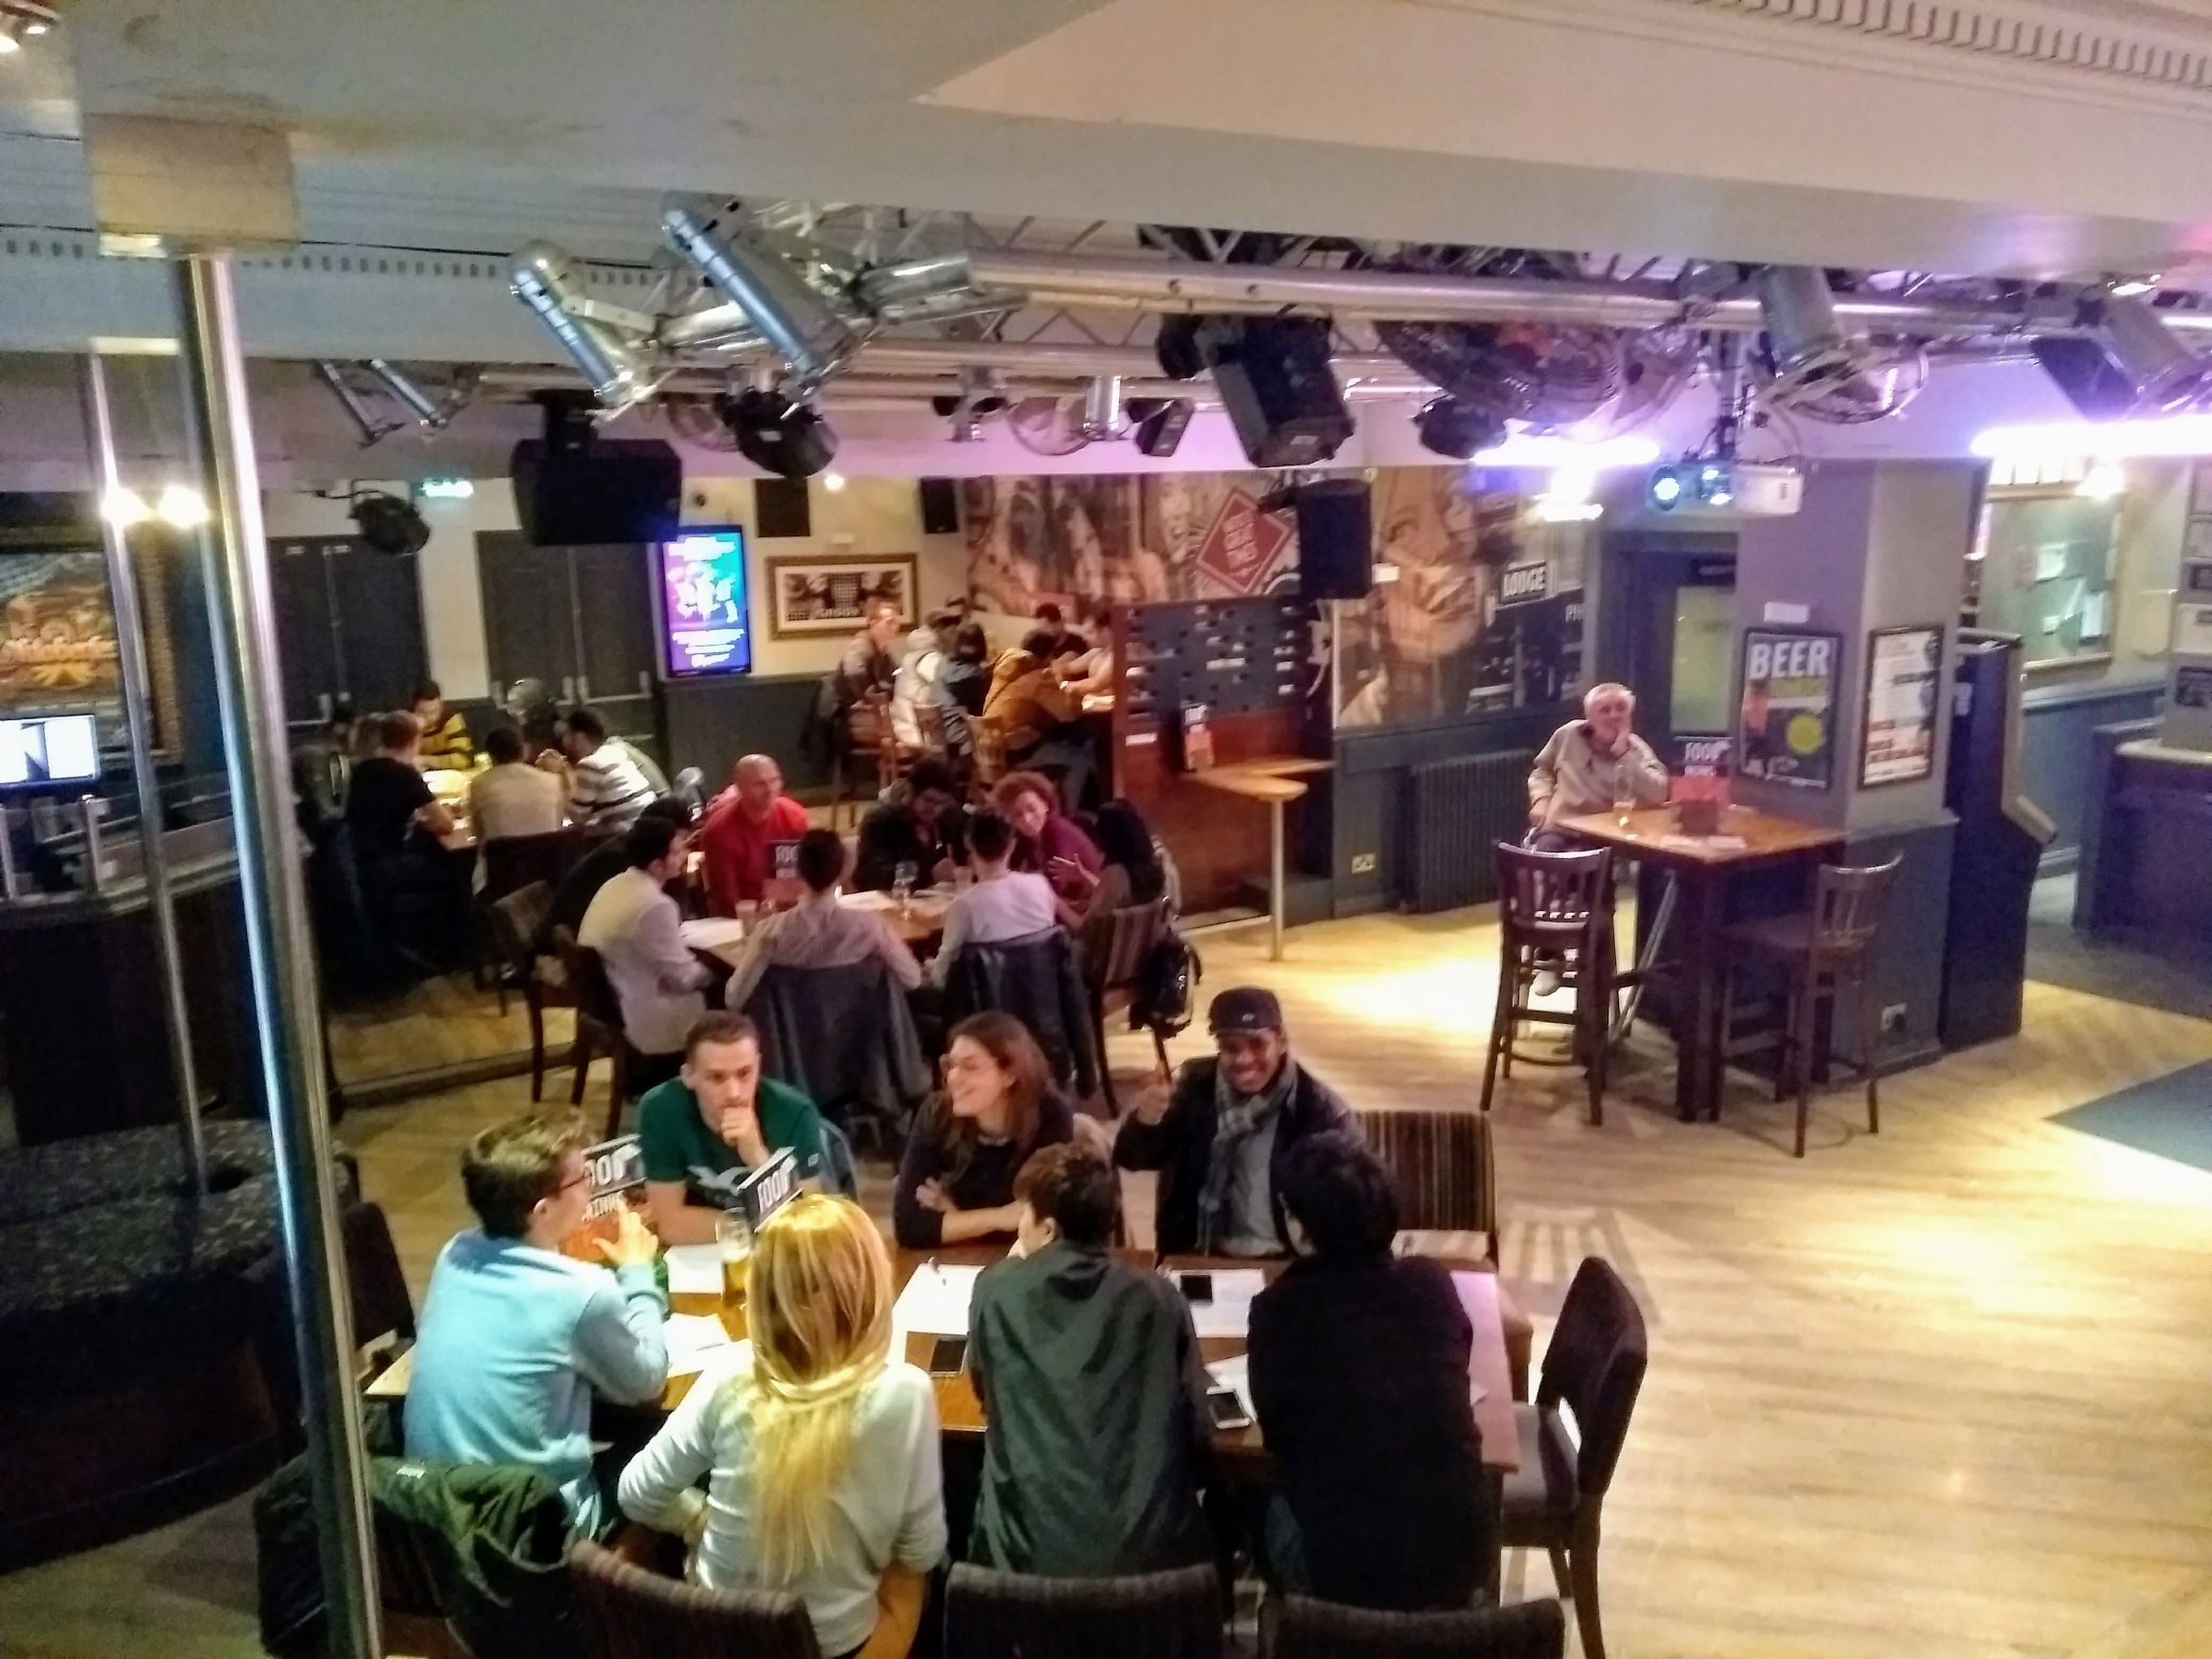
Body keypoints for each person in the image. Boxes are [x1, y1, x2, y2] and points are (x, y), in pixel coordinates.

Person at [617, 1195, 945, 1659]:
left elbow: (636, 1493)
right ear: (870, 1289)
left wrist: (697, 1519)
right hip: (835, 1643)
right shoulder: (906, 1393)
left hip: (715, 1633)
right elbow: (920, 1553)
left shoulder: (727, 1375)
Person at [1247, 1133, 1489, 1610]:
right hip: (1460, 1558)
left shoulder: (1278, 1309)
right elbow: (1460, 1353)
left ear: (1300, 1228)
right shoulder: (1431, 1283)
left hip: (1338, 1576)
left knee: (1242, 1495)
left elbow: (1277, 1436)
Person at [404, 1110, 669, 1534]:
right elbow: (647, 1382)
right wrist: (638, 1273)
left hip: (433, 1521)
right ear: (542, 1210)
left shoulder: (454, 1254)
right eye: (582, 1179)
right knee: (676, 1449)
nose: (592, 1187)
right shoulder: (582, 1292)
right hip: (531, 1532)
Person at [967, 1145, 1214, 1577]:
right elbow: (1196, 1421)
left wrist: (1010, 1272)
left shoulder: (997, 1291)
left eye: (1025, 1214)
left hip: (1023, 1568)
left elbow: (985, 1391)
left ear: (1047, 1228)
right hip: (1155, 1570)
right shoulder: (1160, 1297)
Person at [1114, 987, 1357, 1257]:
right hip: (1197, 1255)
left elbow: (1348, 1209)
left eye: (1257, 1044)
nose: (1244, 1060)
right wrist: (1147, 1117)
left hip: (1287, 1261)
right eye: (1231, 1047)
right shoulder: (1194, 1087)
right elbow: (1132, 1158)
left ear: (1282, 1041)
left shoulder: (1320, 1113)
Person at [637, 1012, 833, 1243]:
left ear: (758, 1065)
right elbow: (671, 1225)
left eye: (744, 1073)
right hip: (701, 1256)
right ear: (688, 1076)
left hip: (773, 1255)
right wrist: (757, 1224)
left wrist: (760, 1160)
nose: (734, 1093)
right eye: (717, 1078)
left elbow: (808, 1229)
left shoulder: (795, 1113)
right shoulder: (661, 1110)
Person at [893, 1011, 1075, 1248]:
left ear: (1009, 1074)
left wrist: (954, 1217)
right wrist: (1000, 1217)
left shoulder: (1050, 1116)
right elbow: (908, 1228)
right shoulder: (936, 1112)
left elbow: (1047, 1231)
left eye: (970, 1067)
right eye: (950, 1065)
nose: (953, 1078)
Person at [721, 828, 923, 1011]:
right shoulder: (870, 927)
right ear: (843, 871)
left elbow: (734, 998)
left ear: (797, 869)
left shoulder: (770, 932)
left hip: (791, 1045)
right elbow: (912, 979)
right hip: (857, 1043)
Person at [577, 813, 711, 1080]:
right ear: (657, 865)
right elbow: (684, 979)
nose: (684, 854)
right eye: (676, 852)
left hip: (615, 998)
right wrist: (717, 971)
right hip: (645, 1013)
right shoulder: (655, 906)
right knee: (737, 997)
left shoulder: (615, 884)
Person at [1526, 681, 1670, 847]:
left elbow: (1659, 793)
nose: (1614, 715)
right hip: (1560, 827)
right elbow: (1543, 771)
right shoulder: (1568, 735)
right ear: (1590, 718)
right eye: (1604, 710)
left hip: (1607, 834)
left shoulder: (1637, 749)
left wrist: (1623, 753)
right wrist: (1541, 800)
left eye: (1621, 708)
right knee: (1545, 855)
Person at [927, 807, 1058, 989]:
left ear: (968, 843)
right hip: (1041, 994)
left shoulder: (964, 905)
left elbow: (942, 979)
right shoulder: (1040, 885)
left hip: (984, 1006)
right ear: (1012, 844)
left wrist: (930, 968)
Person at [544, 796, 691, 943]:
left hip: (578, 939)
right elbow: (669, 920)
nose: (683, 850)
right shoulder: (629, 863)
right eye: (678, 842)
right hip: (573, 947)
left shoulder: (626, 849)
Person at [983, 629, 1093, 807]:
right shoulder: (1040, 676)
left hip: (993, 748)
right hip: (1018, 750)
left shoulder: (1005, 669)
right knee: (1078, 759)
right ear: (1050, 655)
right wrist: (1073, 695)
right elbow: (1068, 714)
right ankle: (1067, 816)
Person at [697, 753, 810, 914]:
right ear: (740, 788)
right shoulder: (718, 832)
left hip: (790, 911)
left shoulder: (796, 817)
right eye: (759, 784)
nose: (770, 790)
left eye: (774, 781)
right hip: (743, 916)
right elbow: (727, 898)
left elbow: (807, 877)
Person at [344, 710, 456, 861]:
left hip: (361, 862)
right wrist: (436, 819)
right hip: (394, 862)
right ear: (414, 742)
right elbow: (445, 825)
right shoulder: (405, 774)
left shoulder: (361, 770)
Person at [853, 757, 968, 892]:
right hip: (885, 905)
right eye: (928, 800)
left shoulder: (948, 816)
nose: (934, 809)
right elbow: (873, 876)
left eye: (941, 803)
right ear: (910, 790)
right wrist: (930, 875)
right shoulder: (880, 820)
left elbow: (972, 841)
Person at [1052, 797, 1166, 930]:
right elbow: (1114, 897)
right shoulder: (1152, 863)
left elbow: (1083, 928)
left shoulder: (1116, 873)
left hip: (1106, 948)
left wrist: (1052, 899)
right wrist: (1084, 876)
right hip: (1144, 943)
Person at [993, 769, 1102, 903]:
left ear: (1045, 804)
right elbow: (1008, 872)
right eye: (1018, 814)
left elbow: (1053, 888)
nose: (1027, 819)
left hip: (1084, 907)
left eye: (1032, 809)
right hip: (1060, 906)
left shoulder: (1056, 831)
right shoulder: (1022, 837)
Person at [559, 706, 657, 833]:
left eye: (566, 734)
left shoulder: (590, 765)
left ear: (578, 737)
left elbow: (577, 816)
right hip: (647, 823)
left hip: (632, 833)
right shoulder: (614, 752)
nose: (563, 741)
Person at [467, 724, 565, 842]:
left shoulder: (479, 784)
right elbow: (558, 826)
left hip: (501, 858)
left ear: (491, 755)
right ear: (524, 750)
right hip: (547, 857)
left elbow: (478, 833)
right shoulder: (552, 780)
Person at [888, 609, 958, 750]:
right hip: (917, 730)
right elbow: (950, 684)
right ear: (938, 631)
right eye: (952, 633)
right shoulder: (929, 657)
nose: (956, 638)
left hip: (906, 723)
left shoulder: (916, 653)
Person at [931, 620, 993, 756]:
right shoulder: (976, 677)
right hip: (963, 741)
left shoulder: (943, 663)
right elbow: (988, 707)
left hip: (941, 737)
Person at [834, 598, 905, 713]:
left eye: (897, 623)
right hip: (844, 713)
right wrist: (867, 697)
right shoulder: (862, 643)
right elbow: (854, 670)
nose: (895, 627)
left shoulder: (883, 651)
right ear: (873, 622)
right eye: (890, 622)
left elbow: (891, 677)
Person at [409, 679, 475, 772]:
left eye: (434, 711)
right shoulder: (405, 722)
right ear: (413, 709)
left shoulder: (450, 718)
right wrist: (416, 732)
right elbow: (405, 761)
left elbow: (461, 759)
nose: (430, 718)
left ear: (441, 704)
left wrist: (424, 760)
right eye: (423, 713)